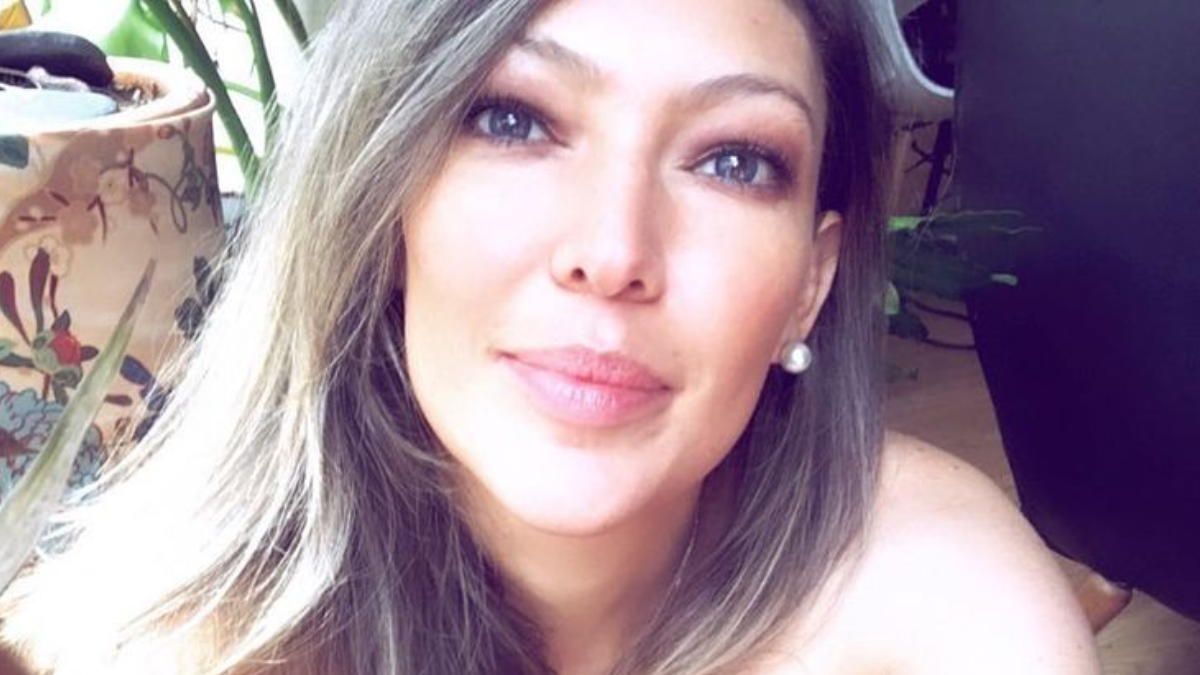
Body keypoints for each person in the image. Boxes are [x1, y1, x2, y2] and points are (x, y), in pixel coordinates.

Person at [0, 0, 1100, 673]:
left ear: (811, 286)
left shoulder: (930, 594)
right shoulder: (175, 639)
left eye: (732, 161)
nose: (614, 251)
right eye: (515, 120)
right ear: (381, 203)